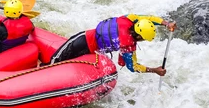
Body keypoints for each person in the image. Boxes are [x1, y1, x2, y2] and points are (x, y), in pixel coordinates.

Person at [47, 14, 177, 76]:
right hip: (83, 41)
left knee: (59, 63)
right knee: (53, 64)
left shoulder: (128, 19)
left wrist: (166, 23)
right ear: (138, 36)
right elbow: (133, 67)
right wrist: (154, 70)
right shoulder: (128, 46)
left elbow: (147, 18)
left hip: (85, 44)